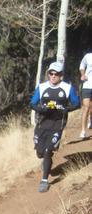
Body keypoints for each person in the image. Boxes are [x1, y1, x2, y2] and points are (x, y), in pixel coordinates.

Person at [30, 62, 80, 193]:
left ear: (61, 75)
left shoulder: (67, 88)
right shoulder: (41, 87)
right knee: (40, 152)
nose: (53, 76)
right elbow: (32, 103)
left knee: (48, 150)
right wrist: (41, 109)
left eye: (56, 74)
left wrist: (66, 109)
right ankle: (45, 162)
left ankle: (44, 181)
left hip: (57, 124)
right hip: (42, 123)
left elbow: (77, 103)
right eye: (50, 73)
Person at [78, 52, 92, 138]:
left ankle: (91, 119)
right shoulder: (88, 56)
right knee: (86, 107)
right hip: (87, 85)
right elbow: (82, 65)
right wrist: (83, 75)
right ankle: (83, 131)